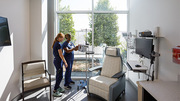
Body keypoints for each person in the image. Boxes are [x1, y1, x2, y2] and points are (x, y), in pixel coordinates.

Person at [52, 33, 68, 97]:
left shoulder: (56, 43)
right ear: (59, 38)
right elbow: (61, 55)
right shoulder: (58, 44)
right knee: (60, 76)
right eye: (62, 38)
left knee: (58, 75)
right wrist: (65, 62)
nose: (63, 39)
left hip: (57, 61)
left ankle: (58, 87)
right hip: (58, 62)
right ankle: (55, 90)